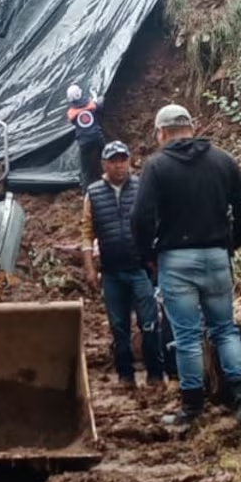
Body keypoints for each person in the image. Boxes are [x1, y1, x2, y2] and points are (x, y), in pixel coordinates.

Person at [131, 104, 241, 427]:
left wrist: (148, 256)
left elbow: (140, 218)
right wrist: (231, 243)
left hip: (176, 260)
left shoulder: (156, 167)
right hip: (216, 255)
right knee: (225, 329)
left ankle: (192, 407)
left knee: (187, 336)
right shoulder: (222, 160)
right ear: (192, 126)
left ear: (161, 133)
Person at [81, 141, 165, 388]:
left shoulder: (142, 187)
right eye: (113, 160)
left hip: (140, 268)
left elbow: (156, 222)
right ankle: (125, 376)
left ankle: (155, 375)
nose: (119, 165)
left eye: (123, 159)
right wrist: (89, 268)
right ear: (104, 164)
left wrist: (157, 259)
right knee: (119, 328)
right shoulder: (94, 193)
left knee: (149, 323)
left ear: (129, 161)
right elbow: (86, 232)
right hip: (111, 271)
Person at [66, 84, 107, 191]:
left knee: (85, 169)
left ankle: (86, 191)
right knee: (106, 157)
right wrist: (99, 98)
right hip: (97, 137)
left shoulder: (71, 113)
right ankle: (109, 180)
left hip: (84, 142)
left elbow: (73, 121)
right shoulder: (91, 105)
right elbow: (100, 106)